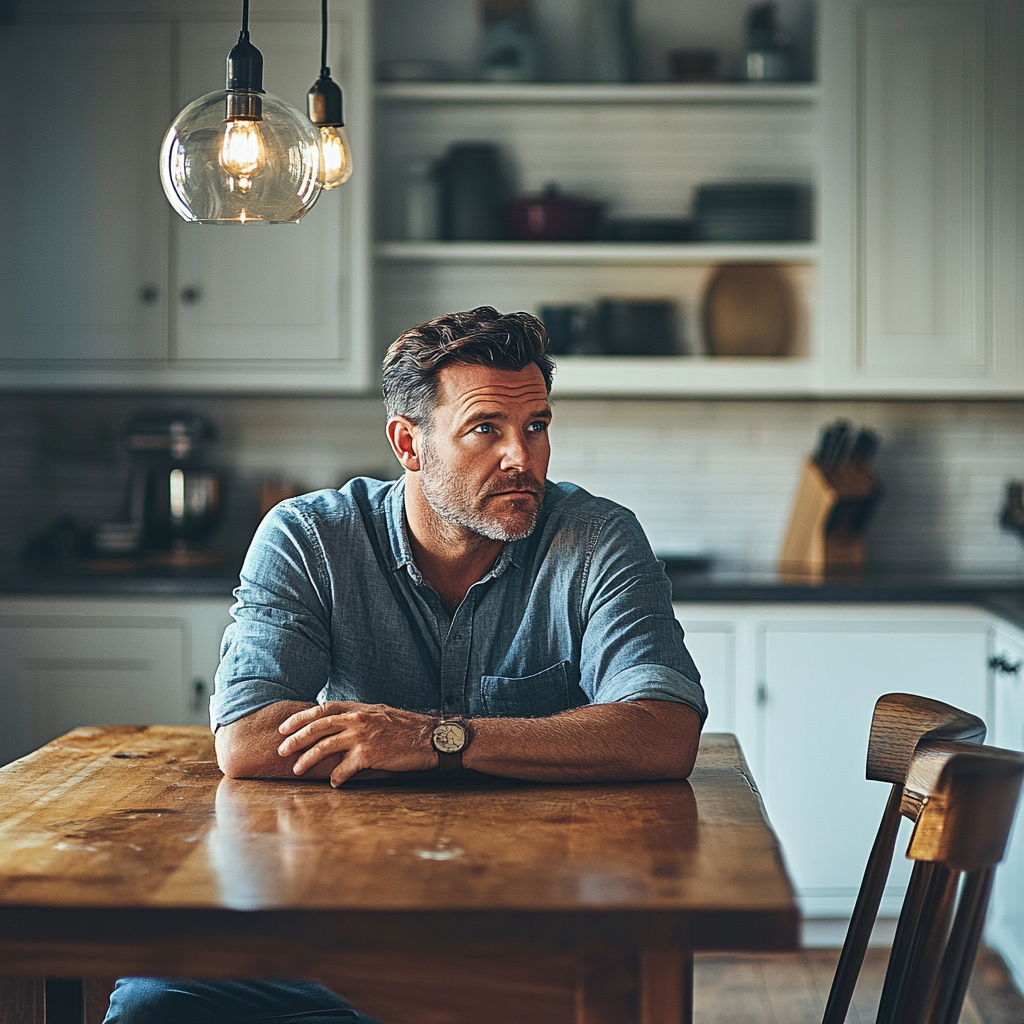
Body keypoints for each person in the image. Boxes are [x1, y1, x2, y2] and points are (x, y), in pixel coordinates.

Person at [104, 306, 706, 1024]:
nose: (523, 458)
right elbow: (249, 736)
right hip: (330, 926)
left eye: (536, 427)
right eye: (487, 429)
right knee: (151, 1000)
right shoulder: (310, 538)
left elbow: (663, 730)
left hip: (535, 930)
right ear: (408, 443)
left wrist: (432, 740)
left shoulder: (597, 539)